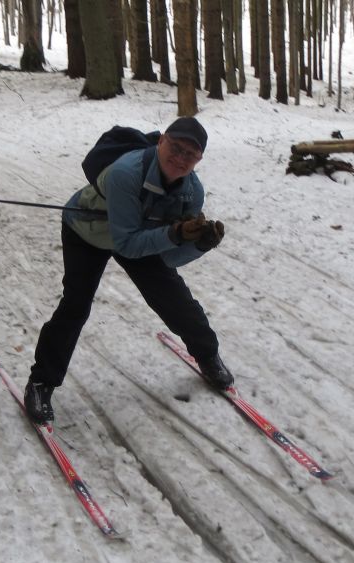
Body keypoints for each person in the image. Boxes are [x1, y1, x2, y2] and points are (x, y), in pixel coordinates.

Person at [24, 117, 232, 424]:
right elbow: (126, 244)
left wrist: (199, 244)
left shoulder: (192, 192)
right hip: (87, 232)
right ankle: (41, 381)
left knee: (173, 297)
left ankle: (207, 354)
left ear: (199, 159)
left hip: (142, 236)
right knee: (76, 305)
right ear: (161, 141)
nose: (181, 158)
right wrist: (173, 233)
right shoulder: (126, 173)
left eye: (190, 154)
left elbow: (169, 259)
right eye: (176, 147)